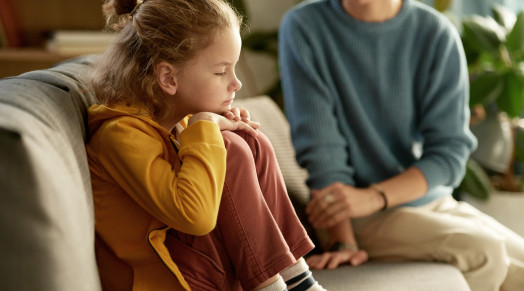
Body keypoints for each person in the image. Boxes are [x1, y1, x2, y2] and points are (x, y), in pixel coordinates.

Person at [278, 0, 524, 290]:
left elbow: (449, 153)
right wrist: (342, 240)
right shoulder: (305, 26)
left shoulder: (436, 33)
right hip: (355, 214)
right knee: (485, 253)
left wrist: (374, 196)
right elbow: (322, 152)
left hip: (426, 200)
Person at [86, 0, 326, 290]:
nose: (235, 83)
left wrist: (208, 128)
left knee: (248, 140)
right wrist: (205, 130)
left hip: (198, 266)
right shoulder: (120, 135)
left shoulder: (174, 122)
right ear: (168, 78)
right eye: (220, 71)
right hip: (170, 278)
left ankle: (295, 276)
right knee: (230, 148)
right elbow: (194, 217)